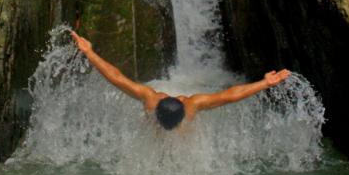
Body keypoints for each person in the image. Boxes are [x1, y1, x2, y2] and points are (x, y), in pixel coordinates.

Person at [70, 31, 291, 130]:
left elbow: (116, 78)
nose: (167, 94)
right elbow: (229, 95)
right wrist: (264, 84)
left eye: (165, 95)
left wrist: (89, 53)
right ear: (183, 107)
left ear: (156, 109)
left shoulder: (150, 100)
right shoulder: (192, 105)